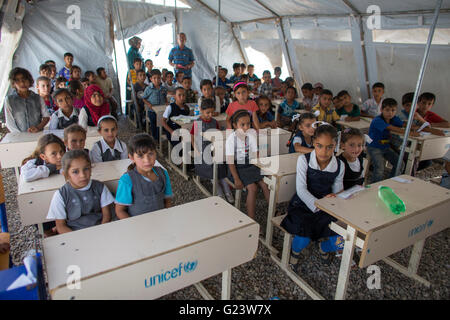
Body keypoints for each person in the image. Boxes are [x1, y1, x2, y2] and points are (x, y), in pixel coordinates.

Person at [281, 124, 345, 266]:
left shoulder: (339, 165)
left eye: (330, 147)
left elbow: (338, 190)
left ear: (336, 145)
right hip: (303, 204)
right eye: (319, 145)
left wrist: (335, 197)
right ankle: (295, 251)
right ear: (313, 143)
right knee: (304, 236)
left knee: (340, 241)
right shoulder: (304, 160)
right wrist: (318, 205)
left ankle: (323, 247)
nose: (324, 151)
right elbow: (301, 189)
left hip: (327, 207)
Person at [47, 150, 114, 233]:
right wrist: (77, 240)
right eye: (75, 172)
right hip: (74, 233)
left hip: (100, 229)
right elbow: (61, 225)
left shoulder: (100, 187)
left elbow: (107, 215)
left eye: (86, 169)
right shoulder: (61, 195)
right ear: (66, 174)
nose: (82, 175)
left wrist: (102, 232)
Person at [115, 134, 173, 218]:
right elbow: (120, 210)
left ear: (156, 153)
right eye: (140, 156)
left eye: (150, 154)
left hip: (161, 221)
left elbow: (167, 201)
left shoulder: (163, 173)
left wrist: (167, 218)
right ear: (131, 158)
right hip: (138, 226)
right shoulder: (127, 180)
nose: (147, 160)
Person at [226, 110, 270, 219]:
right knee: (252, 188)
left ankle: (274, 211)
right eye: (242, 124)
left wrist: (264, 169)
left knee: (266, 184)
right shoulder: (232, 139)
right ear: (235, 125)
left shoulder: (251, 133)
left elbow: (256, 154)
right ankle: (251, 219)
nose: (246, 127)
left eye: (248, 124)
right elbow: (230, 162)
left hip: (251, 163)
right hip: (237, 167)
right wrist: (236, 179)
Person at [191, 99, 234, 203]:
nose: (210, 115)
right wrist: (196, 149)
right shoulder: (197, 122)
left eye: (212, 112)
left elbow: (218, 135)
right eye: (207, 113)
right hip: (203, 150)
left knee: (221, 165)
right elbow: (192, 136)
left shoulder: (215, 122)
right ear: (201, 110)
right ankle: (218, 191)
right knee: (211, 167)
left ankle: (227, 190)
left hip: (214, 148)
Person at [367, 98, 419, 183]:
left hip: (385, 147)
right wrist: (410, 132)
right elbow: (391, 128)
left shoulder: (394, 118)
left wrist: (414, 127)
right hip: (374, 147)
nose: (390, 113)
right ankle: (374, 186)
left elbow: (403, 124)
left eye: (393, 110)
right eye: (387, 110)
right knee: (380, 168)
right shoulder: (377, 120)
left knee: (400, 164)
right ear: (381, 110)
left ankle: (391, 182)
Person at [5, 68, 50, 133]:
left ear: (29, 80)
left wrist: (38, 127)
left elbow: (46, 116)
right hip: (18, 136)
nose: (22, 83)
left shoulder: (38, 98)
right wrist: (20, 135)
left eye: (24, 79)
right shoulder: (9, 100)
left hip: (37, 134)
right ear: (13, 83)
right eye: (18, 80)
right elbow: (10, 122)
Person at [142, 69, 168, 140]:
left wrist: (166, 102)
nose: (157, 80)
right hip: (152, 111)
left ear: (161, 78)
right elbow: (144, 98)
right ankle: (155, 138)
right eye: (154, 78)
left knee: (162, 122)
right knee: (154, 124)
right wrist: (149, 104)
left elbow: (165, 97)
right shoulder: (148, 88)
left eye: (158, 78)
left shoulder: (163, 88)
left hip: (162, 110)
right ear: (151, 79)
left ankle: (160, 136)